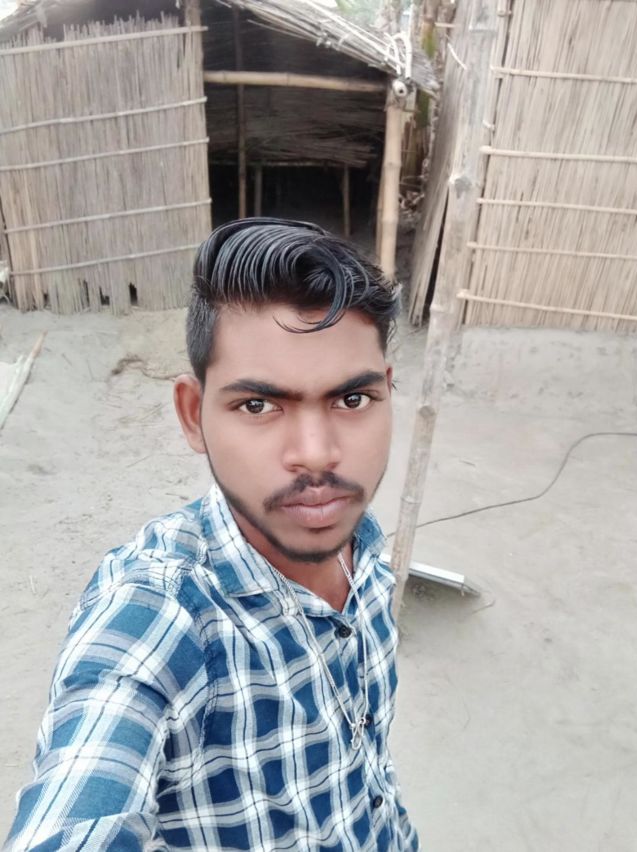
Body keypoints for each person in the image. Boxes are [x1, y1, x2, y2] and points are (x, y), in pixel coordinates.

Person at [6, 218, 419, 851]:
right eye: (258, 406)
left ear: (387, 393)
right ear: (193, 415)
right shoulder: (159, 613)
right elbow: (81, 800)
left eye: (352, 400)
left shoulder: (363, 547)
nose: (316, 455)